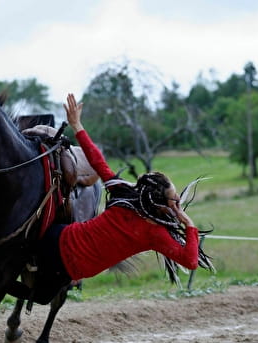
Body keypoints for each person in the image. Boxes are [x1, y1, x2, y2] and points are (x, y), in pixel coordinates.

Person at [34, 94, 212, 302]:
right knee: (42, 298)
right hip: (72, 267)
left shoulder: (125, 195)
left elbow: (98, 162)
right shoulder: (155, 233)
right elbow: (190, 261)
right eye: (175, 199)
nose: (178, 203)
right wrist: (189, 224)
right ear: (161, 206)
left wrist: (77, 125)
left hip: (58, 237)